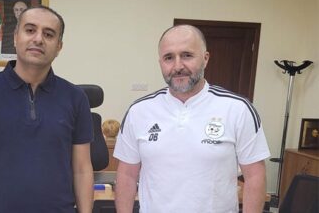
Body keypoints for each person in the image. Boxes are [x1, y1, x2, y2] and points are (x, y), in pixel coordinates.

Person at [113, 25, 271, 213]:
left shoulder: (238, 109)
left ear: (205, 59)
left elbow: (254, 176)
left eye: (187, 55)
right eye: (169, 57)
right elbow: (127, 175)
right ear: (160, 62)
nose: (178, 66)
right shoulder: (138, 111)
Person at [0, 5, 94, 213]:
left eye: (49, 34)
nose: (38, 39)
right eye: (30, 30)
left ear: (59, 46)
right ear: (15, 37)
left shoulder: (76, 98)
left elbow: (82, 170)